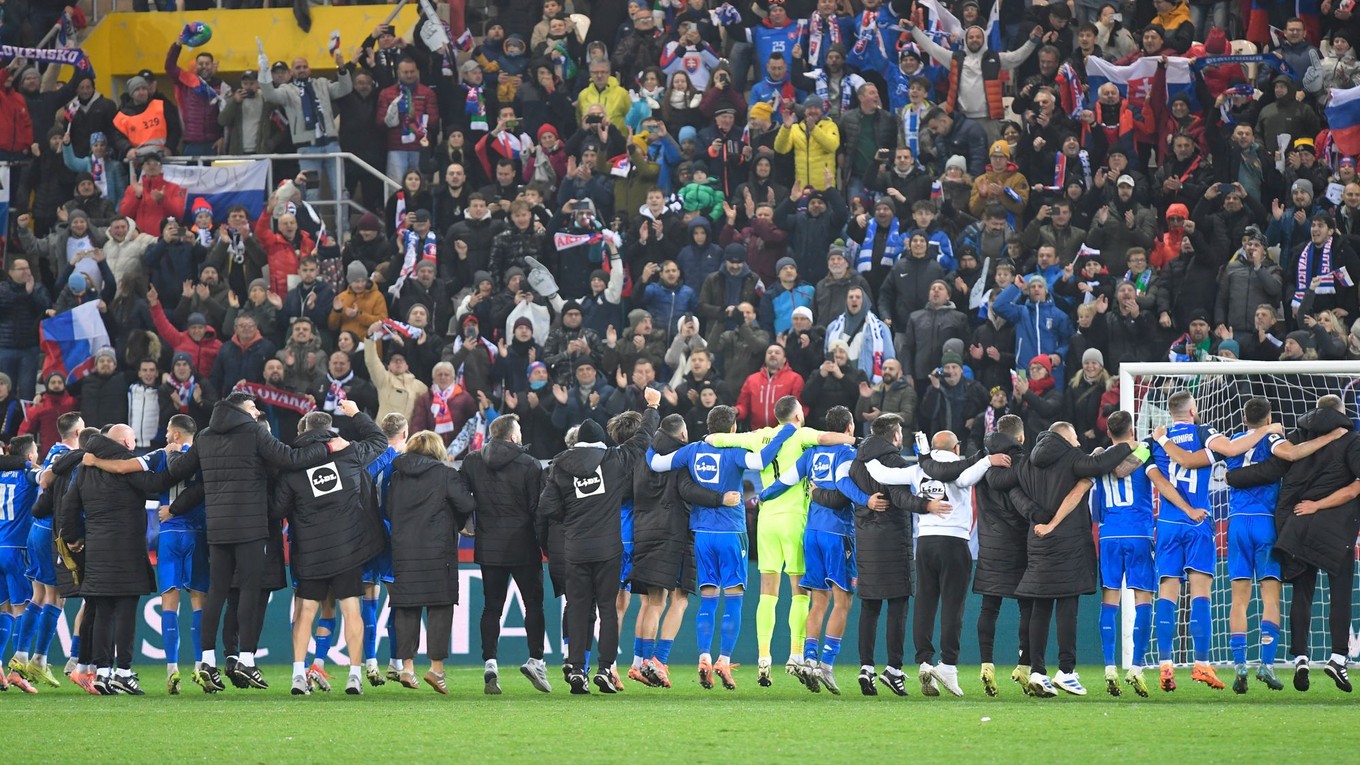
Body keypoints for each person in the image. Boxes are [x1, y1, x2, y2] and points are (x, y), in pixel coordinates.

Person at [82, 391, 347, 693]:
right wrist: (326, 446)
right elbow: (291, 458)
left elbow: (178, 470)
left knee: (217, 592)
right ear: (240, 409)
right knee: (248, 590)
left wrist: (164, 457)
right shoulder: (255, 432)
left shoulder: (205, 436)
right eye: (253, 406)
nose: (257, 410)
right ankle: (246, 659)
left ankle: (207, 659)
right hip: (250, 527)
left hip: (217, 528)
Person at [1163, 396, 1343, 691]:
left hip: (1235, 524)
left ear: (1244, 419)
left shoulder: (1232, 440)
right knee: (1271, 598)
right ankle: (1267, 664)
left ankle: (1240, 666)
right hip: (1264, 524)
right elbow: (1296, 453)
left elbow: (1192, 460)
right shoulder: (1271, 438)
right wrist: (1330, 436)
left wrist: (1166, 443)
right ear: (1269, 416)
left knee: (1238, 599)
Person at [707, 394, 854, 685]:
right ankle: (795, 655)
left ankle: (763, 658)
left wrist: (709, 439)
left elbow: (719, 440)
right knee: (800, 592)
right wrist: (852, 440)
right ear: (797, 416)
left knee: (767, 593)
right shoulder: (802, 435)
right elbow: (827, 439)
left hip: (767, 521)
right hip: (795, 520)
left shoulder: (759, 436)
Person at [647, 407, 793, 690]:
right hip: (731, 532)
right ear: (733, 429)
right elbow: (763, 459)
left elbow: (655, 463)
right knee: (734, 599)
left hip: (702, 533)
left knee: (708, 598)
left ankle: (703, 657)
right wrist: (785, 432)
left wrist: (651, 441)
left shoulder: (692, 451)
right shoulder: (734, 452)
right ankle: (723, 660)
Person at [1226, 394, 1360, 693]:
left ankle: (1299, 657)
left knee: (1299, 593)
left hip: (1292, 525)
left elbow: (1272, 469)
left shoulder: (1296, 436)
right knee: (1339, 593)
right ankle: (1337, 658)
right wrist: (1321, 504)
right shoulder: (1351, 439)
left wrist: (1232, 476)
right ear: (1340, 414)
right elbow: (1355, 488)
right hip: (1333, 528)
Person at [537, 388, 661, 694]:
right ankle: (606, 669)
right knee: (608, 609)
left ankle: (577, 669)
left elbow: (547, 508)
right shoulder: (613, 460)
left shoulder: (560, 466)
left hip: (575, 548)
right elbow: (643, 439)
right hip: (608, 548)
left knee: (579, 608)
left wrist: (573, 516)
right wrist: (652, 407)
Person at [1149, 390, 1274, 692]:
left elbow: (1159, 480)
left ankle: (1165, 665)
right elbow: (1232, 449)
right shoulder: (1204, 433)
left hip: (1166, 523)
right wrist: (1267, 429)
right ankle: (1202, 664)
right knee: (1200, 593)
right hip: (1197, 522)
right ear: (1192, 410)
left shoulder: (1153, 441)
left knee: (1167, 593)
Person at [759, 405, 879, 695]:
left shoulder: (810, 454)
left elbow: (785, 480)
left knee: (819, 602)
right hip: (837, 533)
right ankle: (826, 664)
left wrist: (762, 496)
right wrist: (867, 500)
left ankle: (809, 659)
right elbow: (843, 485)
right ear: (850, 428)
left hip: (811, 533)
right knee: (843, 601)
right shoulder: (847, 454)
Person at [276, 401, 388, 697]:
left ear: (302, 431)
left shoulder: (292, 464)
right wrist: (354, 412)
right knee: (352, 610)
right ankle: (354, 675)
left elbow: (276, 509)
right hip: (347, 549)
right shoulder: (349, 453)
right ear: (330, 431)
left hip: (311, 551)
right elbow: (380, 440)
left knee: (306, 612)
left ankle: (298, 675)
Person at [848, 413, 951, 696]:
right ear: (895, 436)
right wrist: (926, 505)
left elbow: (845, 491)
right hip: (893, 542)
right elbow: (900, 498)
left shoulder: (857, 462)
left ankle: (866, 667)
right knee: (897, 606)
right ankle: (894, 669)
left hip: (866, 542)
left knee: (869, 607)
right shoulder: (894, 462)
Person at [60, 425, 165, 695]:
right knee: (126, 613)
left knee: (104, 612)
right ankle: (124, 672)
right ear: (125, 443)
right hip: (128, 550)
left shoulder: (84, 469)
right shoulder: (128, 469)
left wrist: (73, 538)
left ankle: (102, 672)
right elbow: (155, 485)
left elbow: (69, 506)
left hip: (96, 550)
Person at [458, 413, 553, 694]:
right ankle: (536, 660)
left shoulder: (472, 461)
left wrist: (467, 521)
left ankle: (490, 663)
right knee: (533, 604)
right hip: (523, 546)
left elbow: (460, 494)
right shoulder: (529, 464)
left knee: (492, 607)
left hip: (489, 546)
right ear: (513, 436)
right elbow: (539, 510)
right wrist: (545, 544)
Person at [383, 430, 477, 694]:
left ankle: (407, 667)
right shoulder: (446, 474)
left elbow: (389, 509)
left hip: (403, 551)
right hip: (438, 552)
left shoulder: (396, 477)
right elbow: (466, 503)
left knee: (406, 608)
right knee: (440, 608)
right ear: (437, 449)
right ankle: (436, 669)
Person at [144, 415, 208, 695]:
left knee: (169, 601)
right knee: (198, 603)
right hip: (197, 532)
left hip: (169, 534)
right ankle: (200, 665)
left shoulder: (164, 457)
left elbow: (151, 484)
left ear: (177, 435)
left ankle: (172, 668)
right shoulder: (204, 456)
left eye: (169, 433)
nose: (166, 437)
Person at [0, 436, 39, 694]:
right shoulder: (28, 476)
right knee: (21, 608)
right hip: (17, 549)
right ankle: (16, 670)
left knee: (3, 609)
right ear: (29, 455)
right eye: (36, 451)